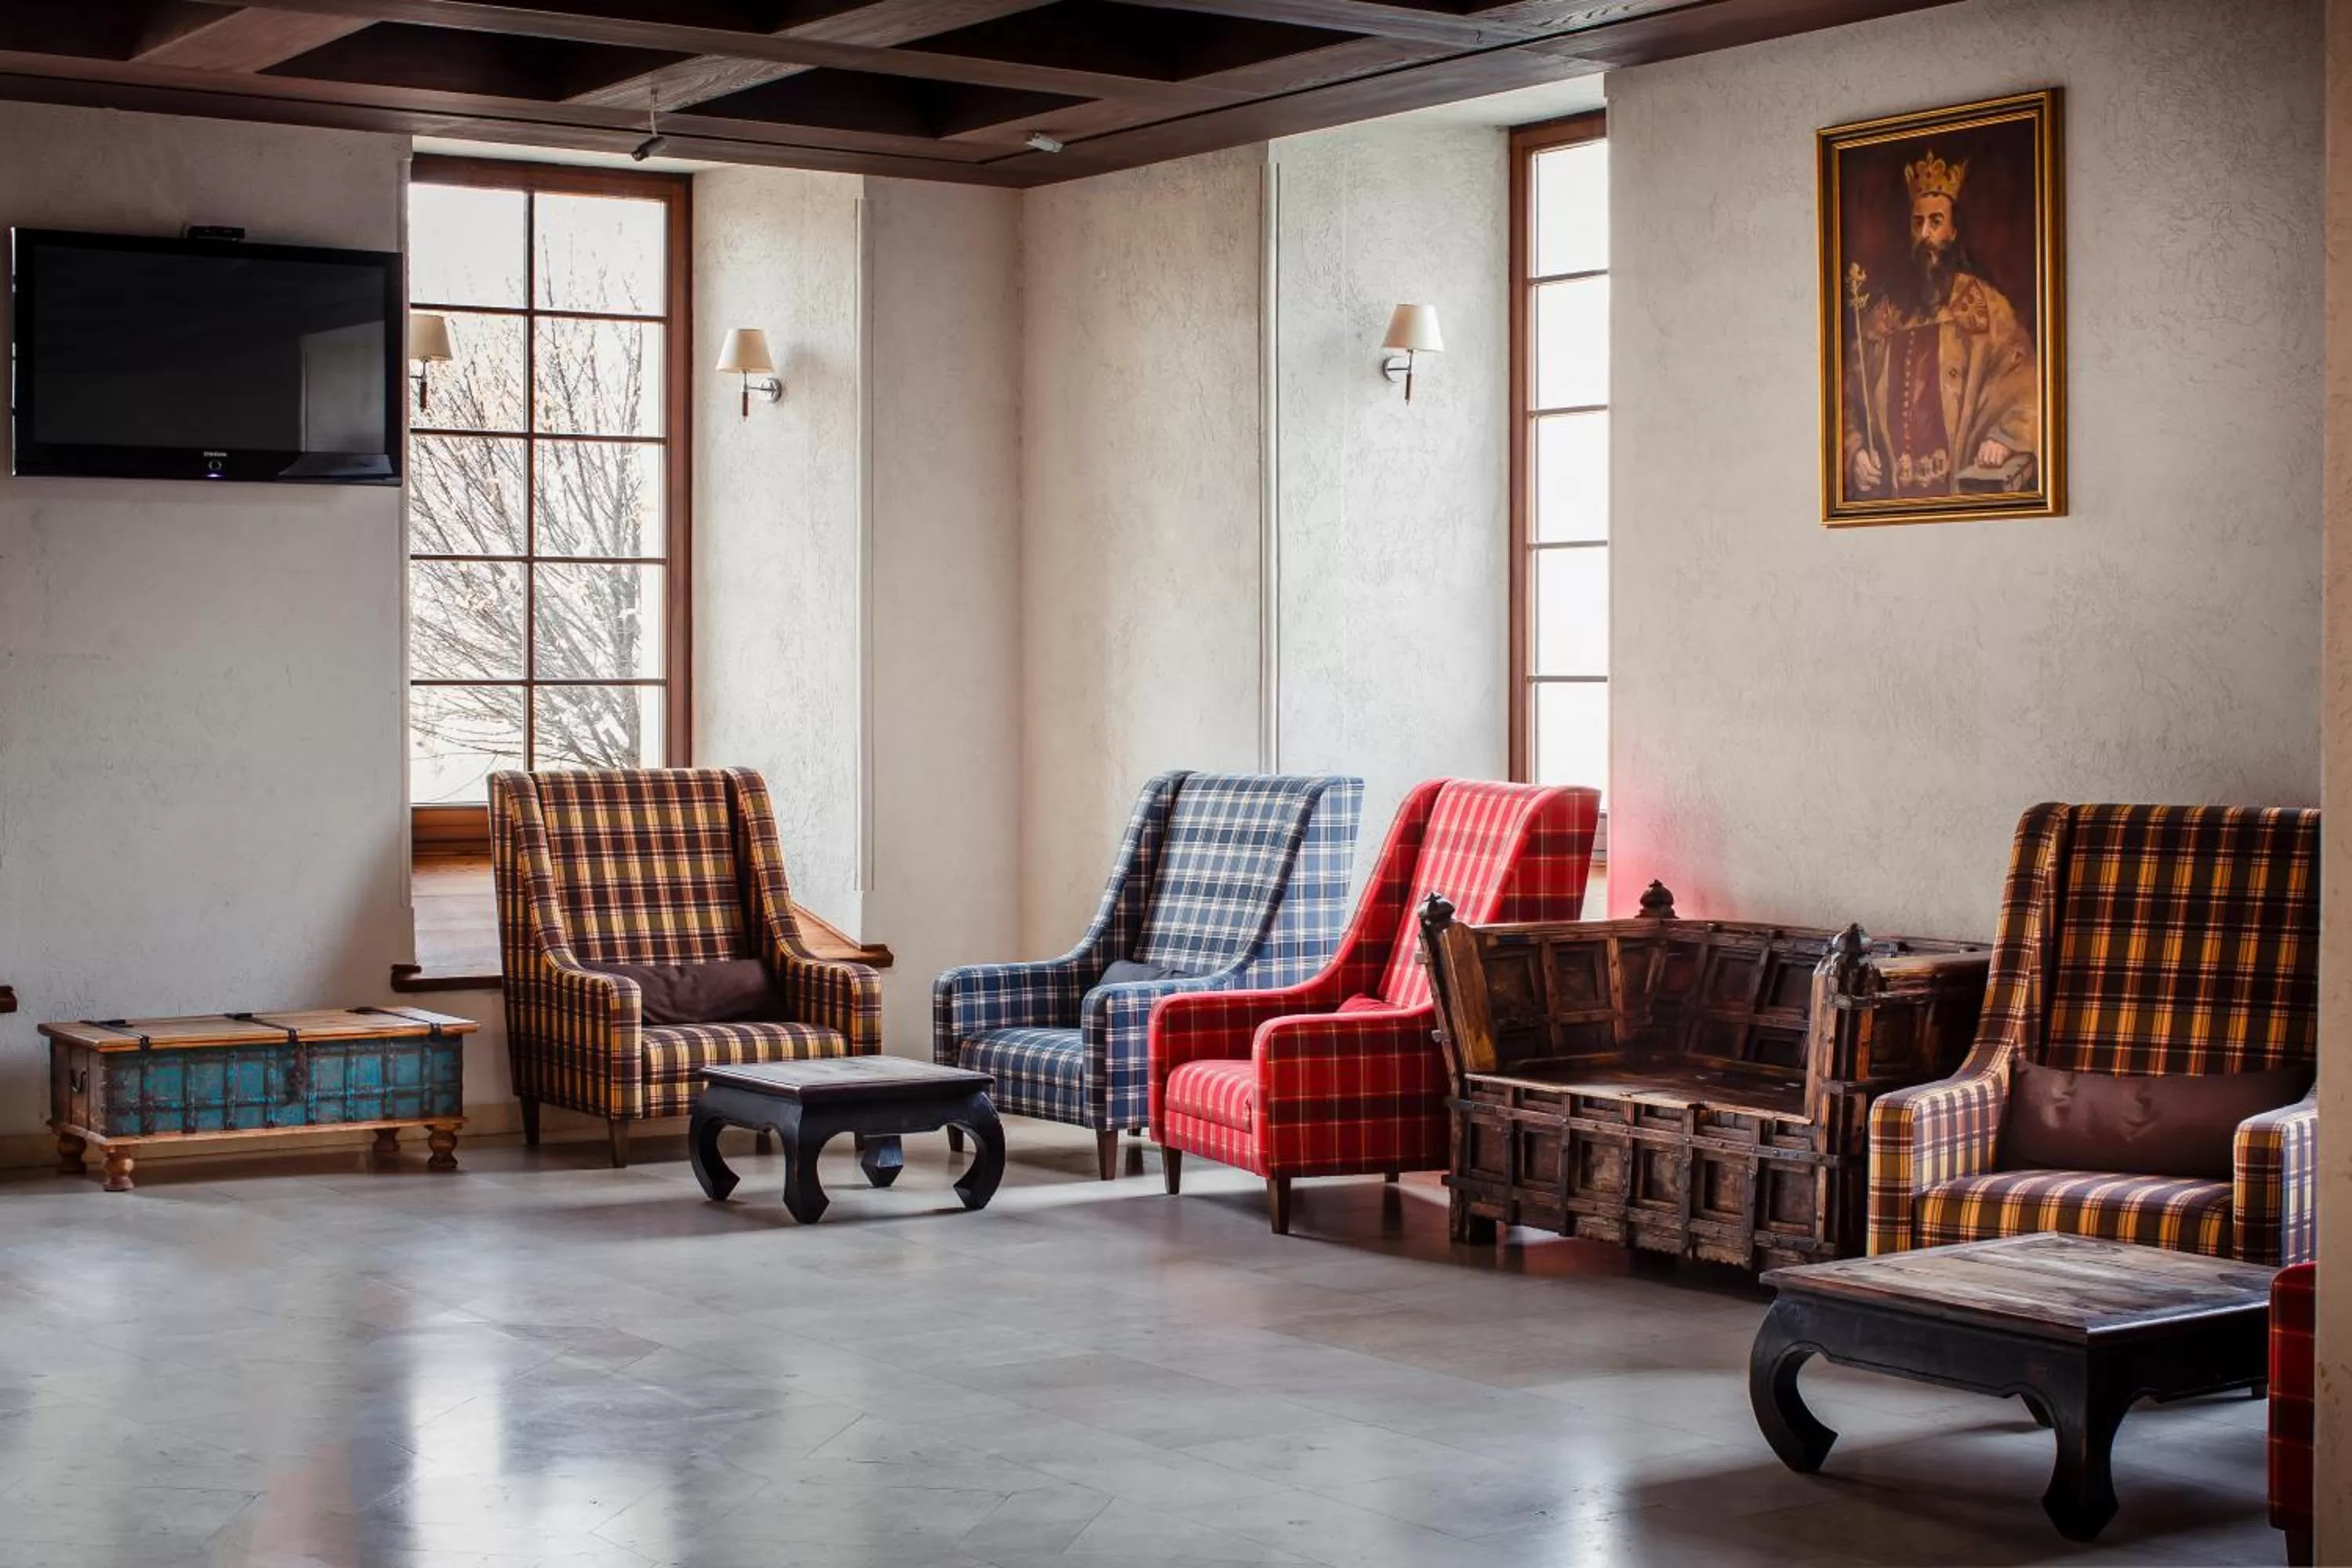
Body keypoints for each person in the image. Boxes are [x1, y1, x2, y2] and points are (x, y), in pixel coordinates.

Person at [1842, 150, 2038, 500]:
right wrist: (1855, 452)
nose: (1926, 234)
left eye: (1936, 222)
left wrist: (2003, 437)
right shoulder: (1882, 317)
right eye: (1918, 223)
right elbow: (1845, 402)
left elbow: (2026, 384)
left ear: (1953, 229)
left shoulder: (1988, 308)